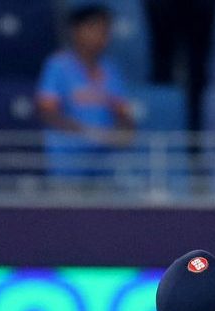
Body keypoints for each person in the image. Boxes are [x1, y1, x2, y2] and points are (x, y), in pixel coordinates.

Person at [36, 4, 135, 183]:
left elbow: (123, 114)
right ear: (76, 31)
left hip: (104, 157)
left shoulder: (111, 71)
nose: (99, 37)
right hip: (68, 155)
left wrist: (123, 132)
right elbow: (47, 112)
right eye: (93, 29)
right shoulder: (58, 66)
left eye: (104, 31)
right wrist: (86, 132)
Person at [143, 0, 215, 138]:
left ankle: (194, 135)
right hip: (165, 15)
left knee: (197, 81)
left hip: (199, 17)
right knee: (165, 88)